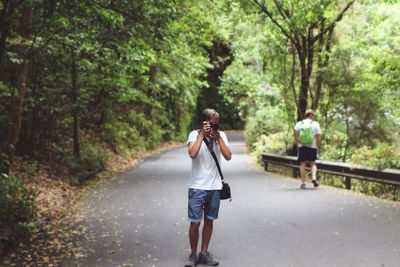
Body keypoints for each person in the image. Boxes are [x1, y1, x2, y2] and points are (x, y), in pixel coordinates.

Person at [184, 108, 232, 267]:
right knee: (195, 222)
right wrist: (201, 136)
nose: (214, 127)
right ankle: (193, 254)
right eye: (211, 124)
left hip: (215, 186)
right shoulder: (194, 134)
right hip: (197, 186)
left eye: (216, 124)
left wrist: (218, 139)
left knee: (209, 220)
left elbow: (228, 156)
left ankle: (204, 252)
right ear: (204, 123)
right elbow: (192, 153)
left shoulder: (221, 135)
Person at [294, 109, 321, 189]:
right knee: (313, 163)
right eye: (314, 115)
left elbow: (295, 135)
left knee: (303, 164)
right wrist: (317, 146)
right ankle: (313, 178)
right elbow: (318, 137)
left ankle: (303, 183)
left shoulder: (299, 123)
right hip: (312, 146)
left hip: (302, 146)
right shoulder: (315, 124)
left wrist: (298, 143)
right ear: (311, 115)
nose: (314, 117)